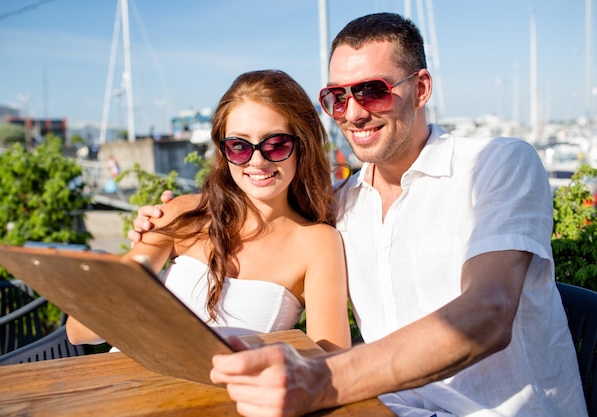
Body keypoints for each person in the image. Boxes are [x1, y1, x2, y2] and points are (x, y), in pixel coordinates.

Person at [131, 14, 587, 417]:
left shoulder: (496, 165)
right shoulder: (341, 206)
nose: (353, 112)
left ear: (421, 88)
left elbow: (486, 314)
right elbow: (264, 221)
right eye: (337, 97)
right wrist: (168, 221)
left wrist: (322, 381)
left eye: (372, 91)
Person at [67, 69, 351, 353]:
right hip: (127, 380)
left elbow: (330, 359)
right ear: (222, 150)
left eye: (275, 145)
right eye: (239, 146)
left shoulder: (317, 243)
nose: (257, 161)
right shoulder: (183, 213)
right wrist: (137, 286)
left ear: (302, 146)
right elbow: (79, 331)